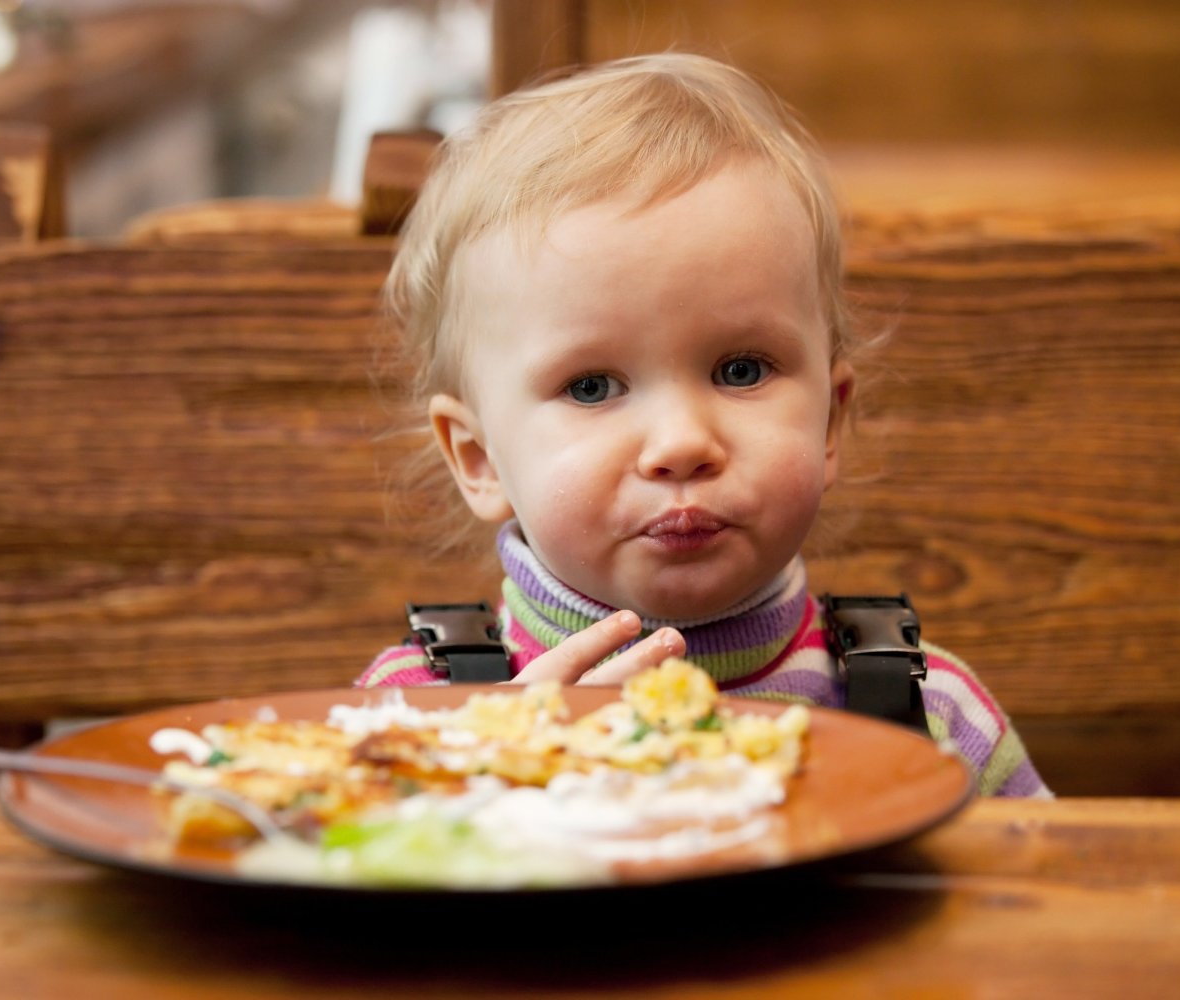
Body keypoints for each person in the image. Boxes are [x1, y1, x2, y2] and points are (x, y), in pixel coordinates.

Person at [355, 53, 1049, 798]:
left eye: (741, 371)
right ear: (479, 458)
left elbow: (1048, 905)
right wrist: (481, 784)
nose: (683, 442)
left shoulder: (930, 716)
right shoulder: (412, 725)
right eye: (592, 387)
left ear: (829, 422)